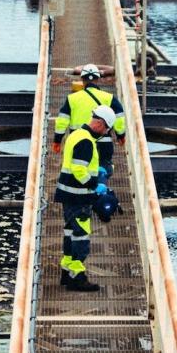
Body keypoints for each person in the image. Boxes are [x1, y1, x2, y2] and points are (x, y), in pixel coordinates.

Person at [55, 105, 117, 292]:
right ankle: (77, 277)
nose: (105, 132)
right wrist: (94, 184)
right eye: (106, 129)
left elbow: (77, 165)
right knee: (81, 237)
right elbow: (79, 170)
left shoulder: (77, 134)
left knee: (70, 233)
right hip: (79, 196)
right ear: (100, 123)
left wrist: (94, 172)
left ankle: (66, 271)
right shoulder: (86, 141)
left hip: (68, 194)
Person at [53, 63, 126, 169]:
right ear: (98, 79)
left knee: (79, 170)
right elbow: (119, 119)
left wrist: (57, 140)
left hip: (79, 142)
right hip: (103, 143)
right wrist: (121, 136)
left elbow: (61, 122)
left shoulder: (72, 99)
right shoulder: (109, 98)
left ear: (82, 79)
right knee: (102, 171)